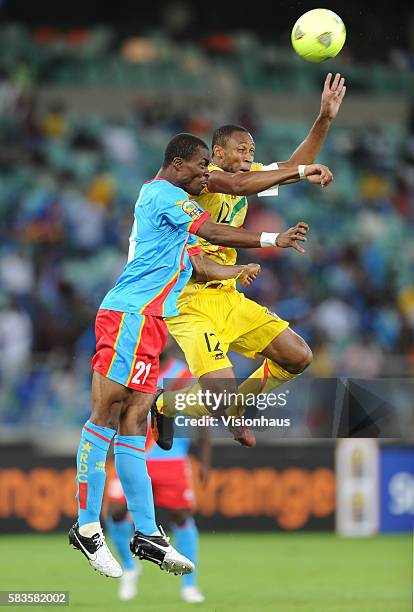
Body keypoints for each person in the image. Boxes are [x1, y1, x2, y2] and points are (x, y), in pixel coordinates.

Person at [68, 132, 319, 579]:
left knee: (133, 425)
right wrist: (271, 239)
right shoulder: (162, 194)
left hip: (153, 321)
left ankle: (146, 533)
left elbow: (198, 260)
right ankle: (87, 527)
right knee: (104, 419)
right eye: (203, 166)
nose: (207, 176)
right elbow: (212, 229)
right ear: (181, 163)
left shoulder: (176, 218)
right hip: (127, 314)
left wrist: (234, 269)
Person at [152, 73, 345, 447]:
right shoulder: (203, 178)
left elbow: (289, 168)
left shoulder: (246, 177)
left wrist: (323, 119)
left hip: (228, 293)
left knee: (298, 356)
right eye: (242, 150)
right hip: (188, 300)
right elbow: (244, 184)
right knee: (219, 394)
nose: (249, 157)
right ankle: (188, 406)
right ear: (218, 154)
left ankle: (200, 406)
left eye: (252, 152)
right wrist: (302, 173)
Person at [105, 347, 209, 604]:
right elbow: (115, 412)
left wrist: (205, 461)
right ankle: (130, 567)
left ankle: (189, 585)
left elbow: (201, 418)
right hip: (132, 453)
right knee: (116, 510)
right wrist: (105, 447)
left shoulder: (183, 374)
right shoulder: (131, 372)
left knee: (181, 516)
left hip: (171, 459)